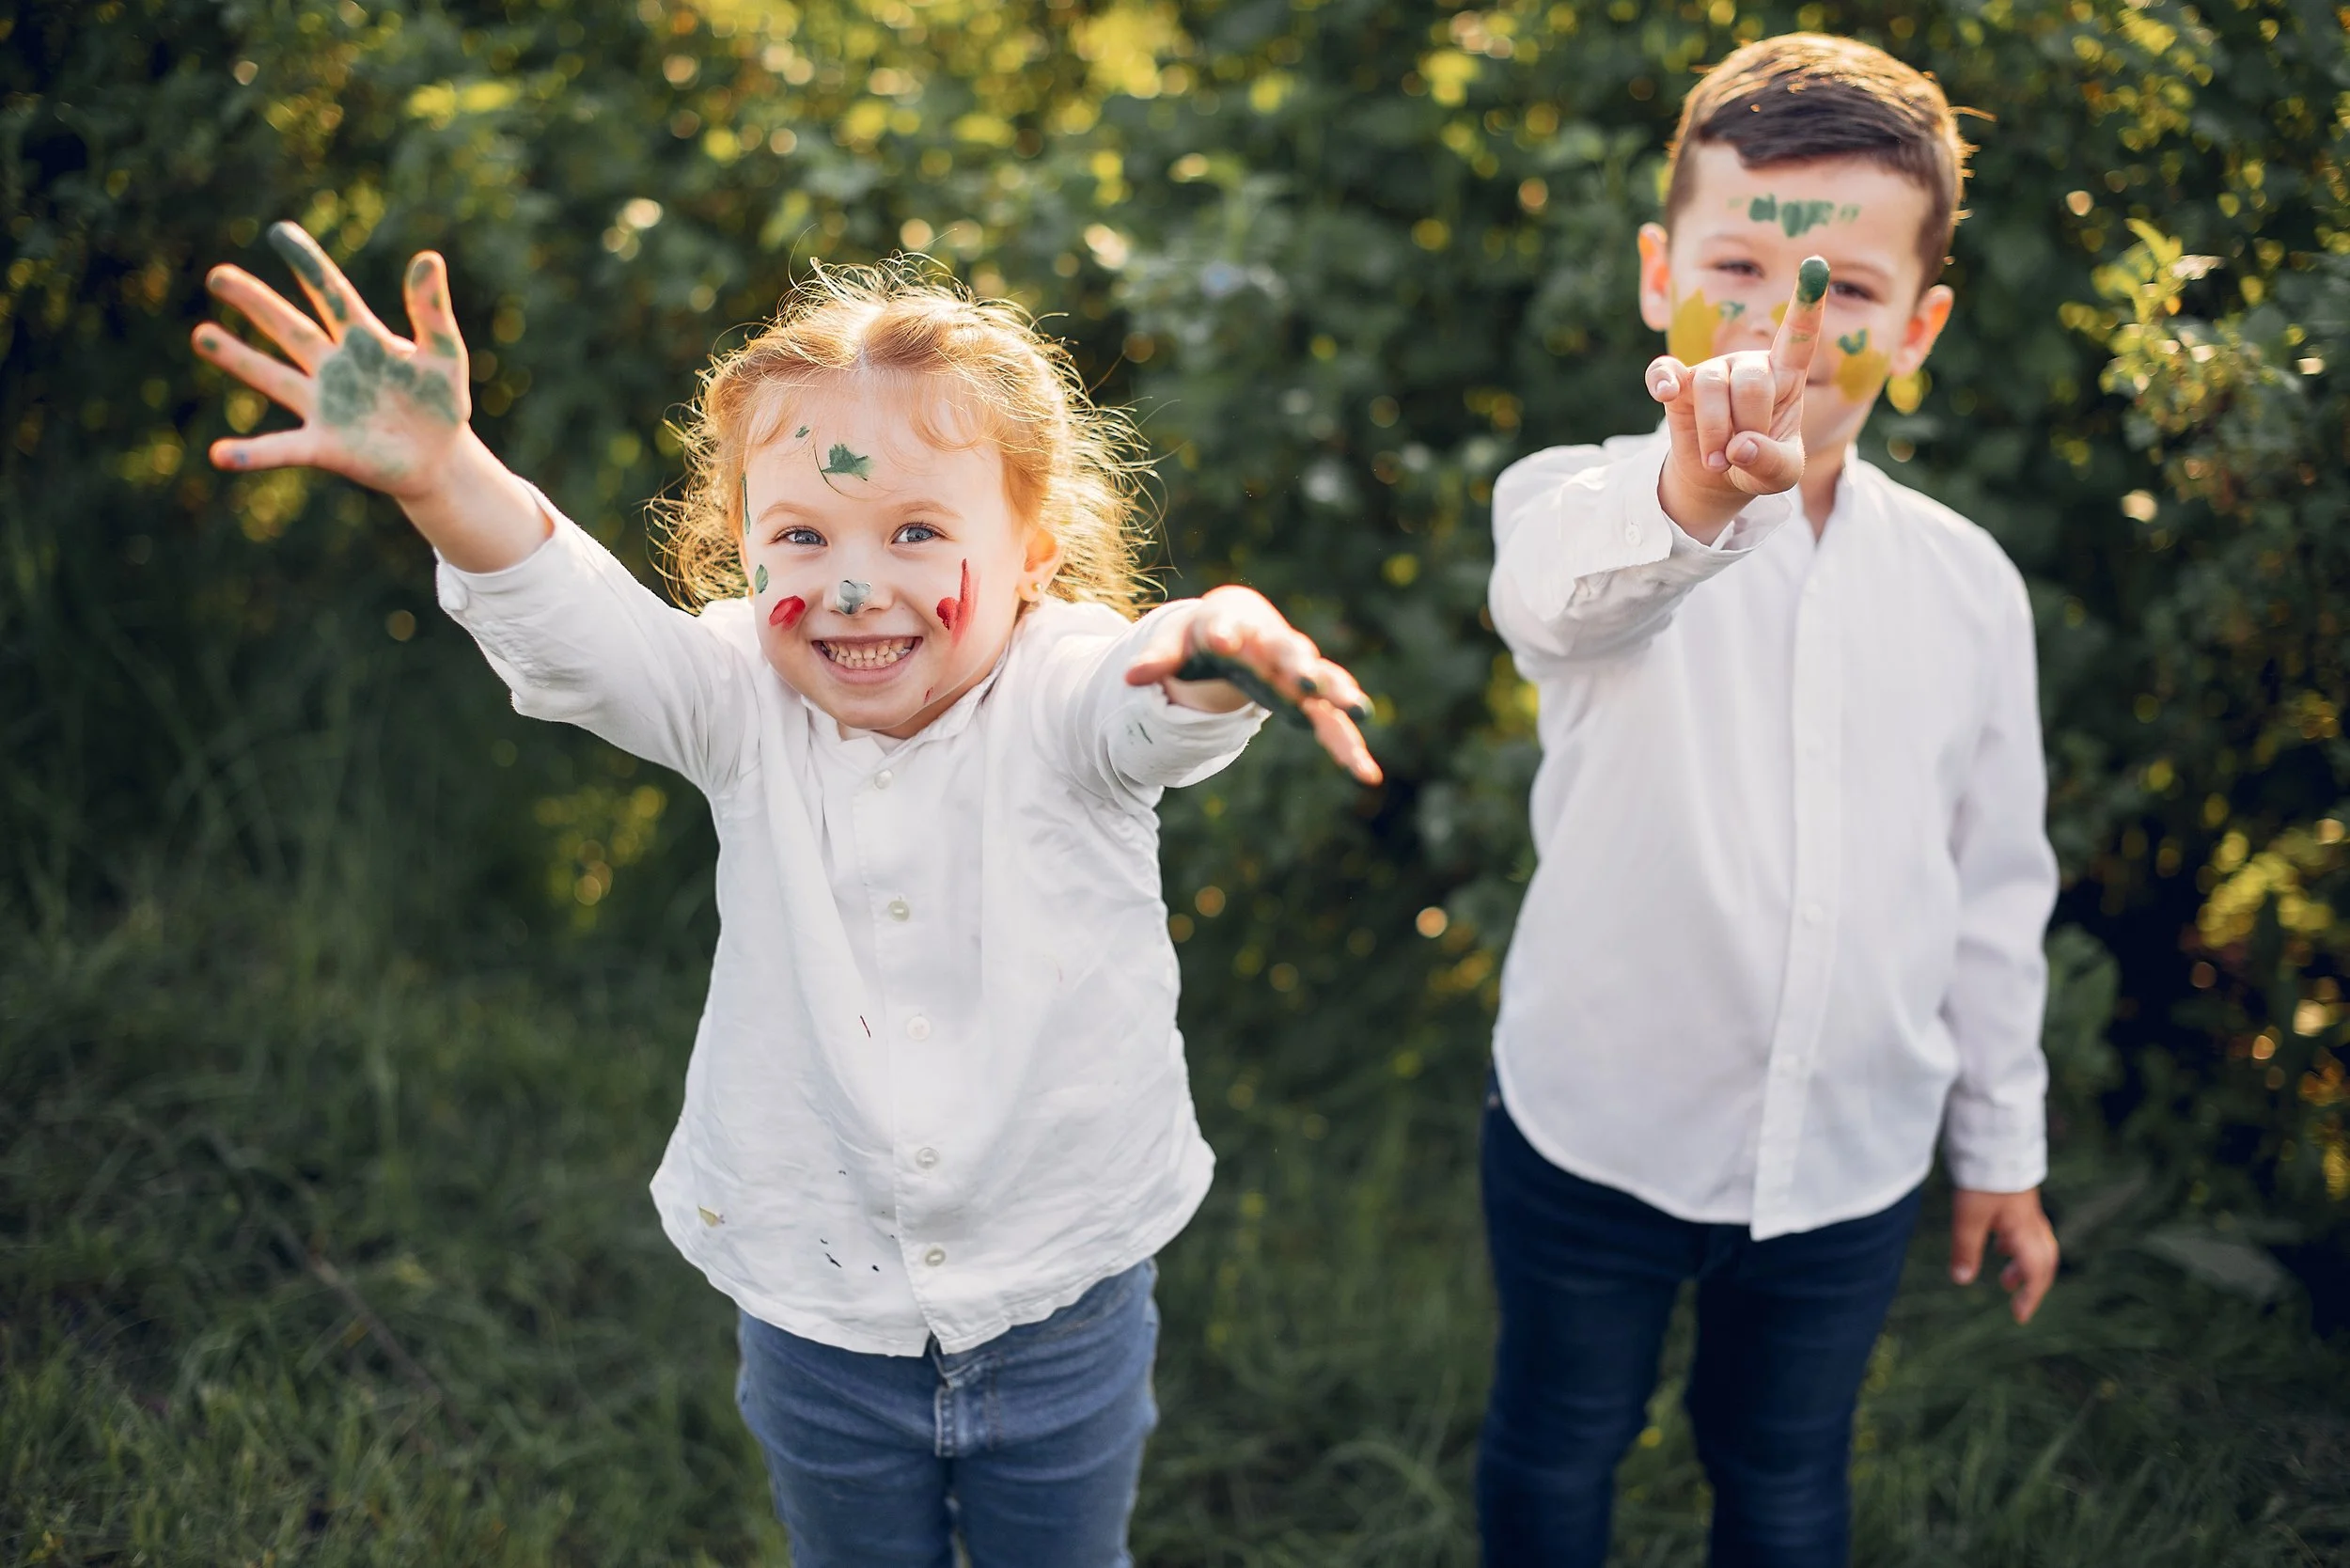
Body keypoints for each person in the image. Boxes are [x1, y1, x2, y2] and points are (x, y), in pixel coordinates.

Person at [189, 227, 1381, 1568]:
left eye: (919, 531)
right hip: (817, 1317)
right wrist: (448, 475)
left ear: (1037, 554)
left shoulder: (1061, 694)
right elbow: (582, 633)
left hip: (1067, 1297)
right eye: (801, 535)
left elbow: (1154, 698)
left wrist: (1218, 637)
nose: (852, 585)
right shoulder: (739, 699)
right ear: (742, 549)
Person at [1478, 34, 2060, 1568]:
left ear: (1921, 325)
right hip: (1596, 1122)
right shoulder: (1574, 502)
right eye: (1739, 263)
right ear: (1657, 271)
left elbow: (1994, 882)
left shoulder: (1966, 588)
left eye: (1847, 291)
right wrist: (1697, 501)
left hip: (1849, 1154)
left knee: (1788, 1481)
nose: (1785, 320)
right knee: (1557, 1448)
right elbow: (1559, 605)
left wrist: (2001, 1144)